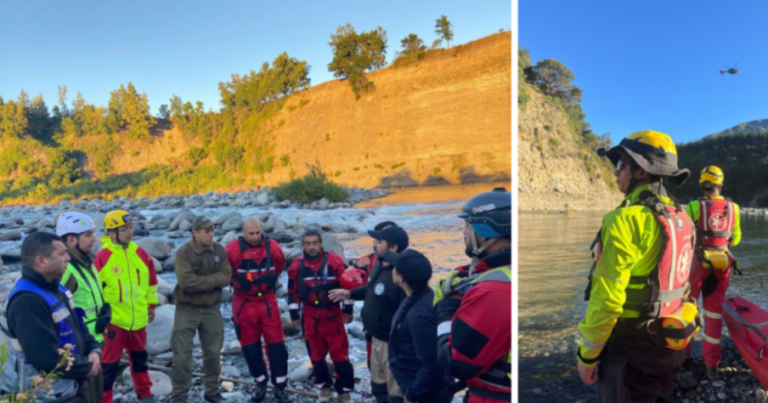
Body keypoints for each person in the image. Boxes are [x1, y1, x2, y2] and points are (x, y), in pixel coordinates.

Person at [577, 131, 698, 402]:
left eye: (621, 164)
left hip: (630, 350)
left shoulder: (623, 220)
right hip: (668, 344)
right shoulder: (684, 219)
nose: (616, 172)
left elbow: (606, 302)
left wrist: (587, 356)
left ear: (641, 171)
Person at [0, 232, 102, 403]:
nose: (68, 258)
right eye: (62, 254)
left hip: (70, 384)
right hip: (51, 394)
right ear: (41, 261)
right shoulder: (27, 301)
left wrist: (94, 349)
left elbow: (79, 325)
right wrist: (87, 367)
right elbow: (46, 357)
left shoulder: (57, 288)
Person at [433, 188, 512, 403]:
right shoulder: (498, 274)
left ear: (484, 231)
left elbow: (456, 364)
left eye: (467, 226)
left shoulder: (493, 292)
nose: (464, 233)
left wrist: (446, 312)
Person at [328, 223, 409, 403]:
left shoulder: (405, 273)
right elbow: (370, 290)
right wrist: (349, 294)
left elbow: (412, 312)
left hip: (392, 343)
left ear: (394, 247)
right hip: (373, 336)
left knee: (396, 391)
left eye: (378, 242)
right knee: (378, 385)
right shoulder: (378, 264)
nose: (373, 245)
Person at [94, 210, 159, 403]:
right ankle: (104, 399)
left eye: (130, 228)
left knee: (140, 359)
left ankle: (144, 392)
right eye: (124, 229)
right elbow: (94, 290)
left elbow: (152, 282)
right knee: (109, 365)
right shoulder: (103, 257)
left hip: (138, 318)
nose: (130, 232)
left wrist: (151, 305)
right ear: (111, 233)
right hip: (114, 321)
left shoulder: (140, 253)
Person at [683, 166, 741, 376]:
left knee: (688, 309)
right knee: (714, 314)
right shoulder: (734, 208)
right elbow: (736, 238)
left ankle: (685, 355)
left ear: (702, 184)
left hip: (698, 263)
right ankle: (711, 365)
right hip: (722, 264)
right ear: (720, 185)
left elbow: (684, 235)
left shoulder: (693, 206)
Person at [224, 218, 289, 403]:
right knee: (250, 349)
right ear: (243, 232)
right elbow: (224, 272)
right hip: (244, 303)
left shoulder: (273, 247)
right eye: (250, 233)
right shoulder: (231, 250)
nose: (254, 237)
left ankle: (280, 387)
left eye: (257, 233)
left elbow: (279, 265)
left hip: (267, 302)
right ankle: (260, 383)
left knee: (277, 347)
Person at [287, 230, 355, 403]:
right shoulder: (296, 265)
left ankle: (344, 391)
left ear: (321, 244)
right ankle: (324, 388)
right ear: (303, 245)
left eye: (315, 243)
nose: (312, 247)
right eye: (308, 244)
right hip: (310, 317)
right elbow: (292, 292)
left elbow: (348, 287)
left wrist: (348, 310)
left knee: (340, 356)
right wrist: (294, 315)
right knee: (316, 356)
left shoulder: (334, 261)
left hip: (333, 316)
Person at [171, 216, 232, 403]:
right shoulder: (184, 253)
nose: (210, 234)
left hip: (211, 309)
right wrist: (213, 282)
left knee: (213, 353)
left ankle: (212, 391)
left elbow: (226, 277)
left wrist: (204, 283)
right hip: (186, 309)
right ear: (195, 233)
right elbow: (186, 281)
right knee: (182, 356)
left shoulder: (219, 250)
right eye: (206, 231)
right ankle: (180, 397)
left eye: (212, 230)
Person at [57, 212, 110, 403]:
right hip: (79, 349)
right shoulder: (67, 269)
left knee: (96, 395)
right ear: (71, 239)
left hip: (92, 342)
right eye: (88, 235)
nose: (94, 239)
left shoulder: (87, 263)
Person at [388, 250, 451, 403]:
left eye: (395, 267)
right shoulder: (419, 297)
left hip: (425, 393)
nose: (391, 269)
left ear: (401, 277)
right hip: (418, 385)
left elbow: (430, 364)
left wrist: (412, 395)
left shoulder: (419, 316)